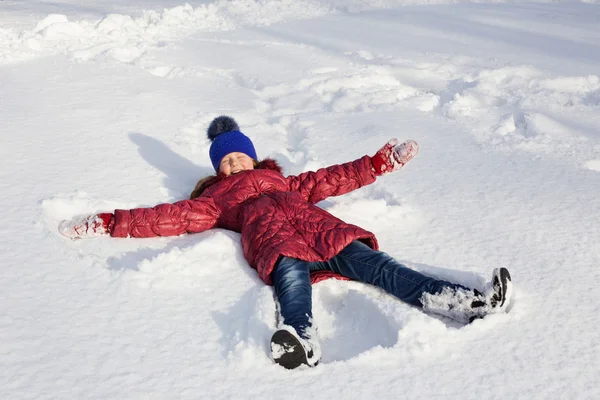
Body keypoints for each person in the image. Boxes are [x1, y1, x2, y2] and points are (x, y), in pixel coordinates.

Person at [59, 116, 513, 370]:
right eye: (227, 162)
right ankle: (301, 339)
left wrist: (380, 162)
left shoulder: (287, 182)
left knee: (383, 269)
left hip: (327, 233)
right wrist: (109, 222)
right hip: (278, 248)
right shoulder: (217, 200)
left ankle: (461, 300)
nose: (235, 165)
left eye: (240, 157)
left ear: (255, 157)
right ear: (218, 171)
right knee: (292, 289)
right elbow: (168, 218)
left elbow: (334, 177)